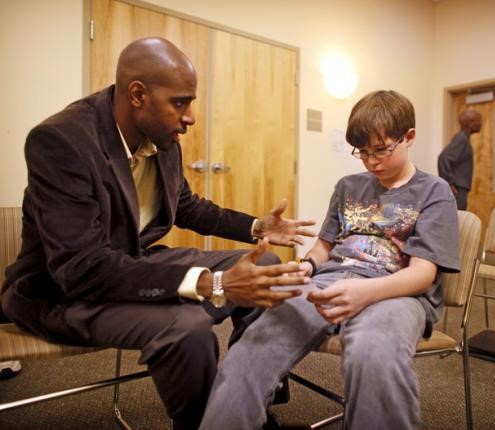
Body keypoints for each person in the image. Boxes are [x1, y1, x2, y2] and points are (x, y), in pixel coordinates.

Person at [0, 37, 316, 429]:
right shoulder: (61, 141)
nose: (190, 117)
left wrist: (255, 227)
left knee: (265, 263)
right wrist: (212, 283)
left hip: (131, 263)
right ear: (138, 95)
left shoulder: (163, 137)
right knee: (186, 329)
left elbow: (186, 207)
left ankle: (248, 405)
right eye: (180, 103)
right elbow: (82, 268)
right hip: (63, 291)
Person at [199, 90, 460, 430]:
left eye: (381, 149)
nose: (371, 161)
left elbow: (422, 274)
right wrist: (305, 267)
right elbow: (323, 248)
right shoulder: (348, 186)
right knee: (257, 340)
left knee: (373, 351)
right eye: (363, 152)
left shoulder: (434, 191)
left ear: (408, 137)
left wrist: (365, 293)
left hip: (398, 292)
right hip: (329, 282)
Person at [437, 109, 482, 210]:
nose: (480, 124)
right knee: (457, 217)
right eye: (478, 121)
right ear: (470, 123)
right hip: (457, 190)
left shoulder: (464, 138)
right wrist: (448, 182)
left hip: (460, 188)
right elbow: (444, 157)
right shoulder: (462, 139)